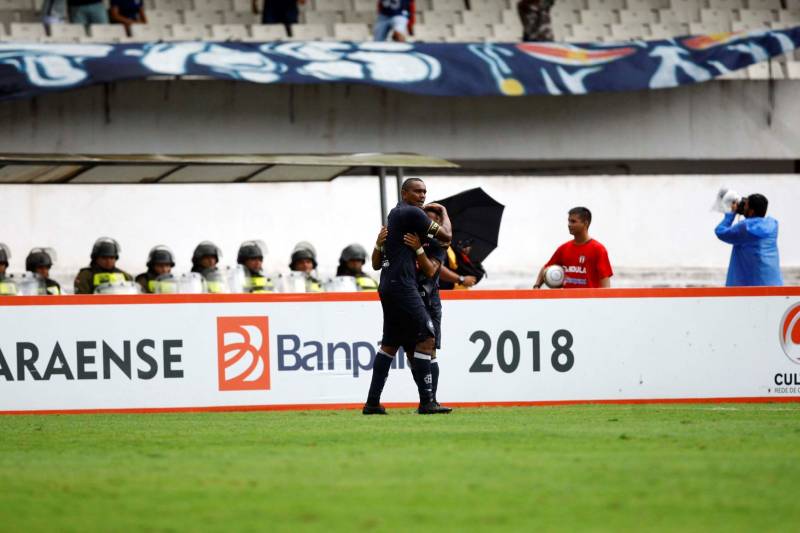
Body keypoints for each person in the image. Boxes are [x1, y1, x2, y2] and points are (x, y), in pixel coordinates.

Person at [363, 177, 453, 415]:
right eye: (417, 191)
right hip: (403, 287)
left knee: (390, 344)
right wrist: (443, 212)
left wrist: (415, 247)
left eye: (425, 192)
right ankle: (427, 402)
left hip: (391, 286)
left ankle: (372, 403)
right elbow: (446, 236)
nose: (422, 196)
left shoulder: (397, 220)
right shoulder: (411, 215)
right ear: (405, 193)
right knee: (427, 337)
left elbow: (377, 264)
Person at [533, 207, 612, 289]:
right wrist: (536, 286)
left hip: (589, 301)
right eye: (569, 221)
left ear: (585, 223)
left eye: (573, 221)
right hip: (567, 300)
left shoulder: (598, 249)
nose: (569, 225)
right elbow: (546, 268)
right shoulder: (564, 248)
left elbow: (605, 285)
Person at [714, 193, 782, 287]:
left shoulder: (744, 227)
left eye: (745, 205)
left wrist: (730, 215)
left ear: (751, 211)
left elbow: (720, 232)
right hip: (773, 284)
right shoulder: (773, 224)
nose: (742, 207)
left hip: (747, 288)